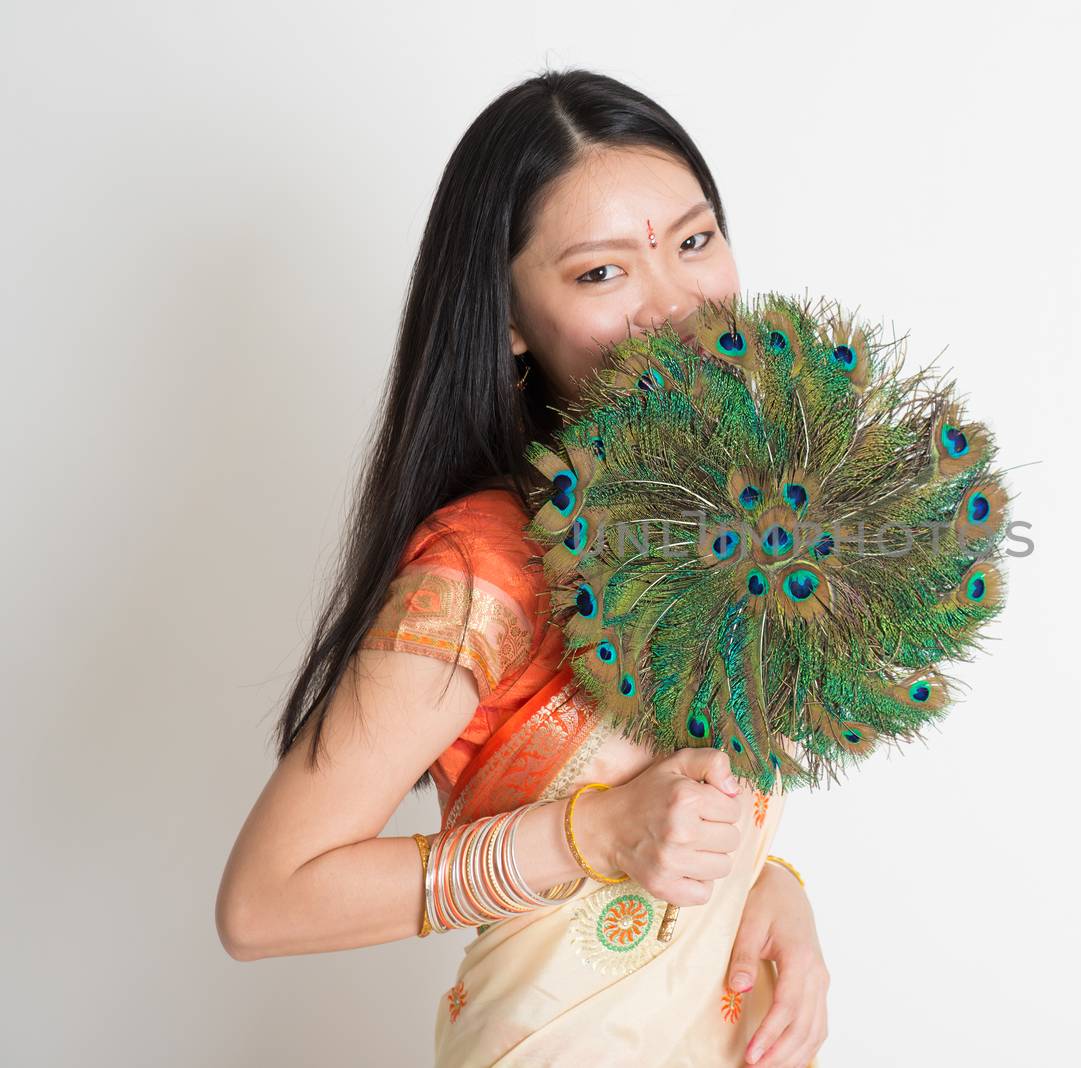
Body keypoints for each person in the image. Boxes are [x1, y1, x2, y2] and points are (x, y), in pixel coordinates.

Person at [215, 69, 829, 1068]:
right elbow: (263, 902)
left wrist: (773, 886)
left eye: (692, 240)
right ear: (507, 321)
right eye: (601, 272)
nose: (676, 303)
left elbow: (695, 808)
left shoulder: (734, 522)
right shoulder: (483, 564)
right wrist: (592, 835)